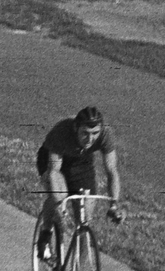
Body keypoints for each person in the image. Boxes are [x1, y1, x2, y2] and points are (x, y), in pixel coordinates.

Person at [36, 106, 123, 259]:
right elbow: (54, 171)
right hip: (53, 162)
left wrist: (114, 204)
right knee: (58, 195)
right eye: (85, 133)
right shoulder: (61, 132)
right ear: (76, 128)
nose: (90, 139)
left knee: (84, 222)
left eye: (95, 134)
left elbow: (111, 170)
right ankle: (45, 233)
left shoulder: (105, 134)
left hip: (82, 163)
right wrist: (60, 206)